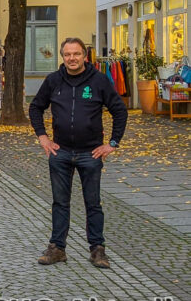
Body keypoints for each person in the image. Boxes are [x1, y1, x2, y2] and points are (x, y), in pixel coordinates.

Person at [29, 37, 128, 269]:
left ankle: (97, 250)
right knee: (60, 202)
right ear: (62, 57)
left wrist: (112, 143)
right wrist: (43, 137)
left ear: (85, 55)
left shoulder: (99, 81)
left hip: (90, 153)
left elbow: (119, 111)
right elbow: (36, 107)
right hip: (60, 152)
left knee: (93, 203)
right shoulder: (53, 81)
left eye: (76, 54)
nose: (72, 58)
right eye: (67, 54)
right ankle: (57, 248)